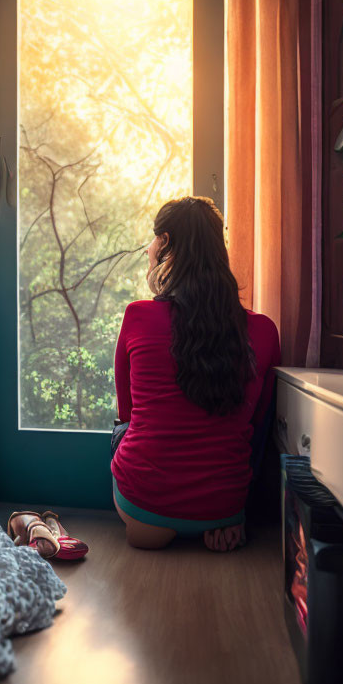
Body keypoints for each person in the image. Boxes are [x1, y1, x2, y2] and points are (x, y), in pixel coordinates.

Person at [111, 196, 280, 552]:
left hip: (143, 509)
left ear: (166, 243)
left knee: (121, 430)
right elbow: (259, 424)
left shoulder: (138, 316)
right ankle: (214, 524)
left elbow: (127, 415)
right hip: (222, 509)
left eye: (154, 238)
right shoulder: (264, 331)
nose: (149, 248)